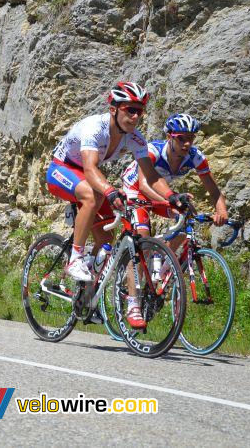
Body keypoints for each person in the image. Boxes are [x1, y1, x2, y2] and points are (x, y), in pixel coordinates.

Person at [45, 82, 188, 329]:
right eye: (129, 110)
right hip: (63, 169)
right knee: (94, 195)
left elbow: (151, 176)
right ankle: (75, 258)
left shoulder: (134, 138)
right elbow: (89, 168)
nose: (135, 116)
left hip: (89, 176)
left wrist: (171, 196)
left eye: (139, 111)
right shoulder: (95, 127)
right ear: (114, 109)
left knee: (106, 240)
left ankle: (85, 298)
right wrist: (110, 191)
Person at [121, 113, 228, 254]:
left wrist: (222, 211)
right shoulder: (153, 151)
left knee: (188, 215)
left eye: (191, 138)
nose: (187, 143)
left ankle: (165, 261)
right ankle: (139, 268)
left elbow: (214, 191)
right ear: (169, 137)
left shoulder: (195, 157)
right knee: (143, 241)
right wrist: (170, 202)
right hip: (136, 189)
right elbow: (144, 185)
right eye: (181, 138)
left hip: (159, 191)